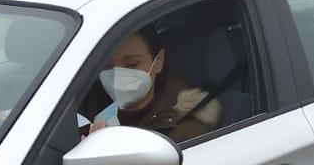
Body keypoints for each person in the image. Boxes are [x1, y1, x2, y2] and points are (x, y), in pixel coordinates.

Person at [80, 26, 220, 144]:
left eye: (131, 64)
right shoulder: (83, 102)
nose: (117, 75)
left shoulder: (187, 128)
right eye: (107, 65)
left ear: (158, 62)